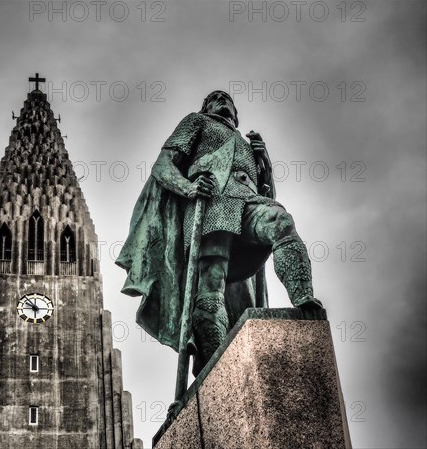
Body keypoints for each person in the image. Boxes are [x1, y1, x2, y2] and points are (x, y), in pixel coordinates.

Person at [116, 91, 323, 376]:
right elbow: (163, 165)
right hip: (212, 204)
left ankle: (303, 298)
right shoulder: (197, 122)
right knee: (211, 284)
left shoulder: (249, 145)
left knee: (281, 221)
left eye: (228, 99)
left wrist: (266, 165)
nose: (223, 100)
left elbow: (268, 194)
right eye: (216, 98)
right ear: (206, 106)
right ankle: (216, 365)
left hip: (247, 202)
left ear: (237, 113)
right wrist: (189, 187)